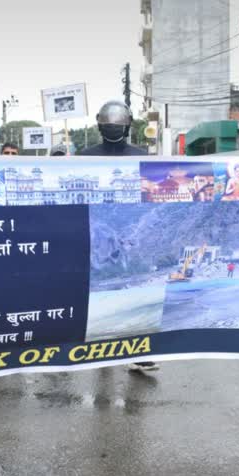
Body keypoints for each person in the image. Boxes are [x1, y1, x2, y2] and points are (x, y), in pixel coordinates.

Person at [76, 101, 155, 372]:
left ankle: (137, 349)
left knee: (132, 290)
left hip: (128, 228)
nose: (113, 129)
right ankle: (102, 347)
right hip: (96, 230)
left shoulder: (141, 155)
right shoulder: (83, 157)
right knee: (101, 290)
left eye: (115, 125)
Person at [77, 101, 147, 156]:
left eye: (118, 120)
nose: (113, 123)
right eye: (107, 119)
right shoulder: (86, 156)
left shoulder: (141, 156)